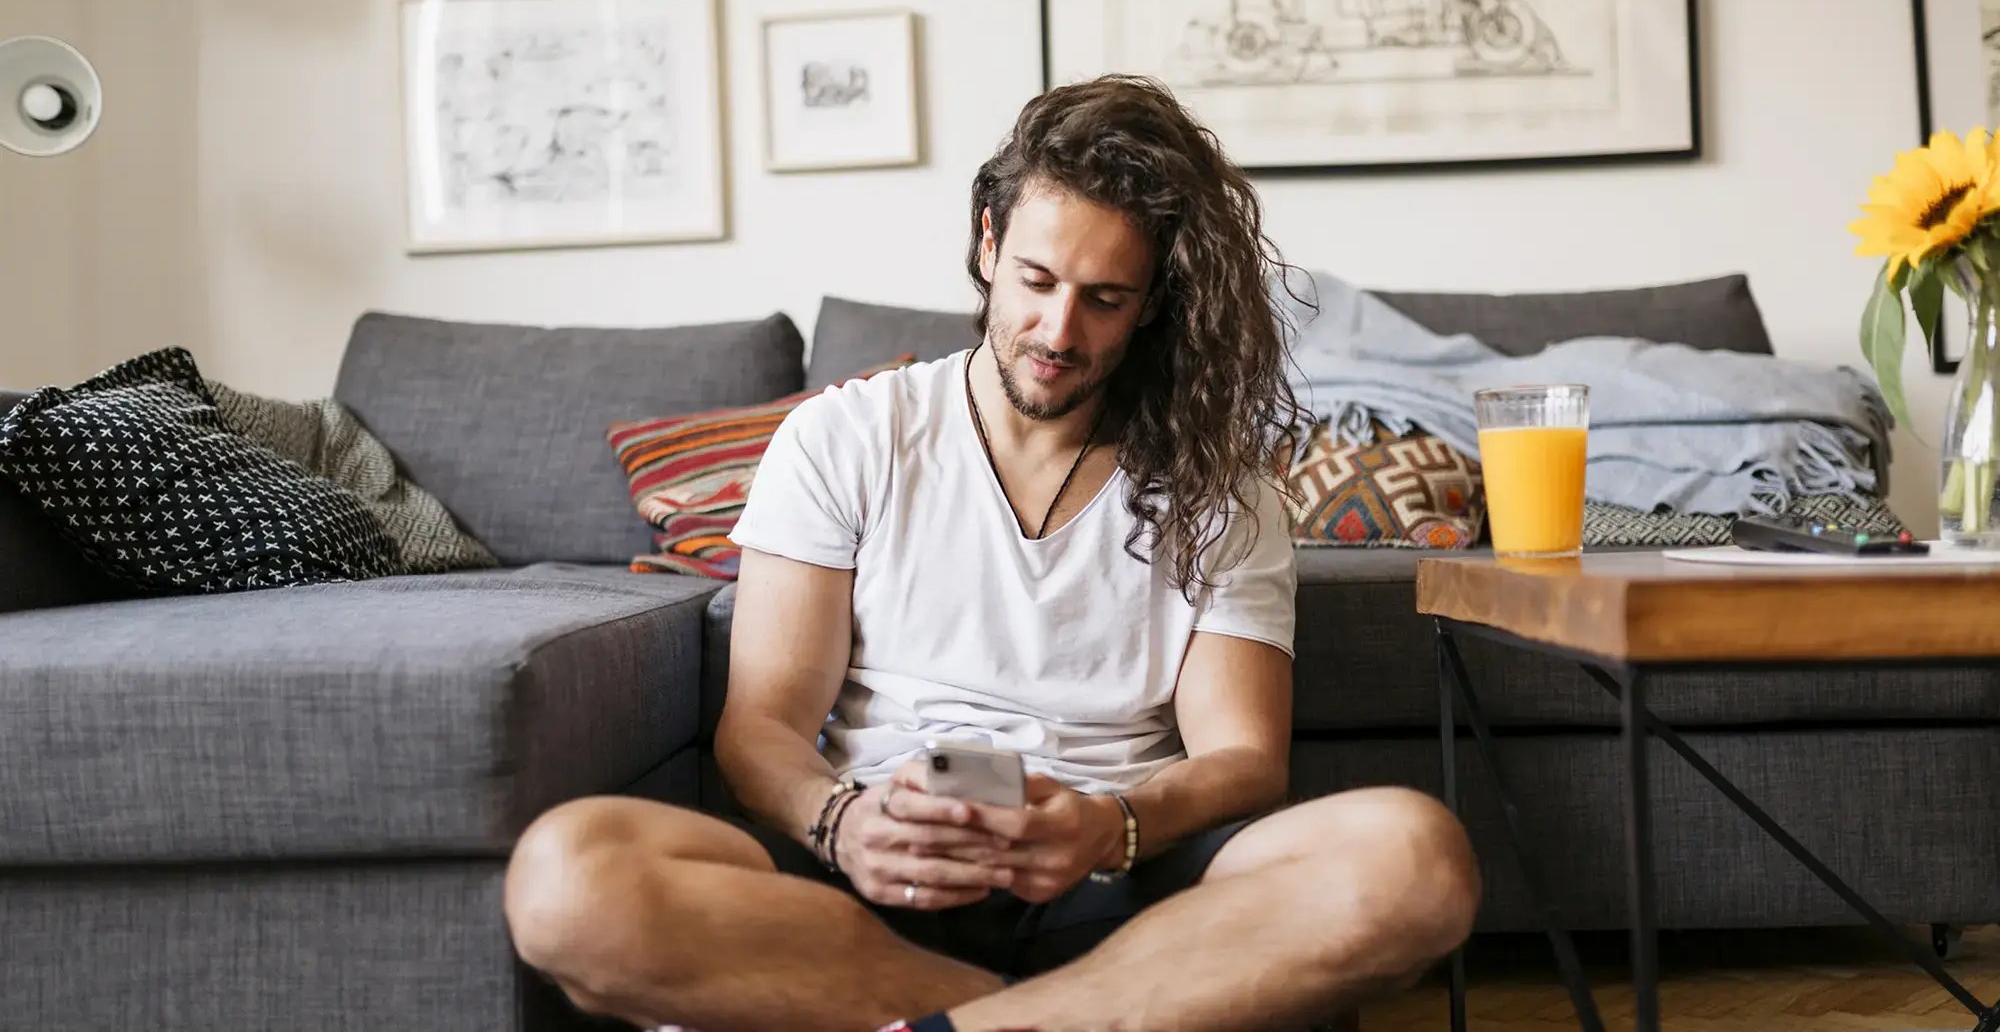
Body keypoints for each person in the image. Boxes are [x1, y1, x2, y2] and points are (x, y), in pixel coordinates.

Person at [502, 74, 1481, 1032]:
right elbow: (760, 724)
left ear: (1150, 304)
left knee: (1413, 859)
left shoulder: (1220, 489)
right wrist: (840, 825)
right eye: (1037, 281)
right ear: (986, 244)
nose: (1058, 332)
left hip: (1113, 878)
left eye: (1103, 297)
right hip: (875, 872)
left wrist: (1114, 827)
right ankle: (1078, 1016)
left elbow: (1241, 759)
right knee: (565, 879)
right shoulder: (845, 436)